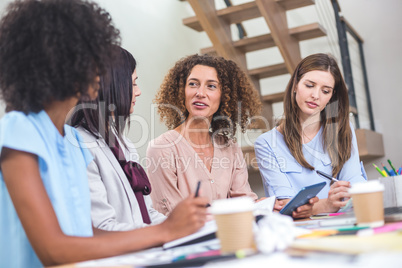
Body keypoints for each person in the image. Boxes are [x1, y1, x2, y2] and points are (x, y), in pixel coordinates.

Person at [0, 1, 207, 267]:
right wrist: (165, 231)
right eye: (94, 59)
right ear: (60, 63)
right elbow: (53, 250)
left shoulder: (70, 140)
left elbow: (88, 234)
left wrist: (178, 226)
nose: (102, 72)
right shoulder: (19, 131)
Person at [254, 53, 367, 218]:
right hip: (298, 232)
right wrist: (327, 204)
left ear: (331, 97)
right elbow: (285, 207)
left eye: (325, 91)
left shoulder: (343, 130)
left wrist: (348, 194)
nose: (316, 95)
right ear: (295, 85)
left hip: (342, 224)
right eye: (309, 85)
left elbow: (354, 185)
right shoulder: (266, 143)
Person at [147, 54, 261, 216]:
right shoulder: (162, 149)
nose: (200, 93)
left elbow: (244, 201)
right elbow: (172, 216)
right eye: (193, 84)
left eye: (211, 86)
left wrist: (265, 205)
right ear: (181, 91)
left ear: (225, 96)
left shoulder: (230, 147)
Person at [70, 46, 166, 230]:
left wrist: (181, 224)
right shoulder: (79, 145)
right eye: (134, 83)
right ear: (113, 85)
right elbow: (102, 227)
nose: (138, 92)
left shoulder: (124, 144)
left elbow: (146, 214)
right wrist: (164, 232)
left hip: (144, 247)